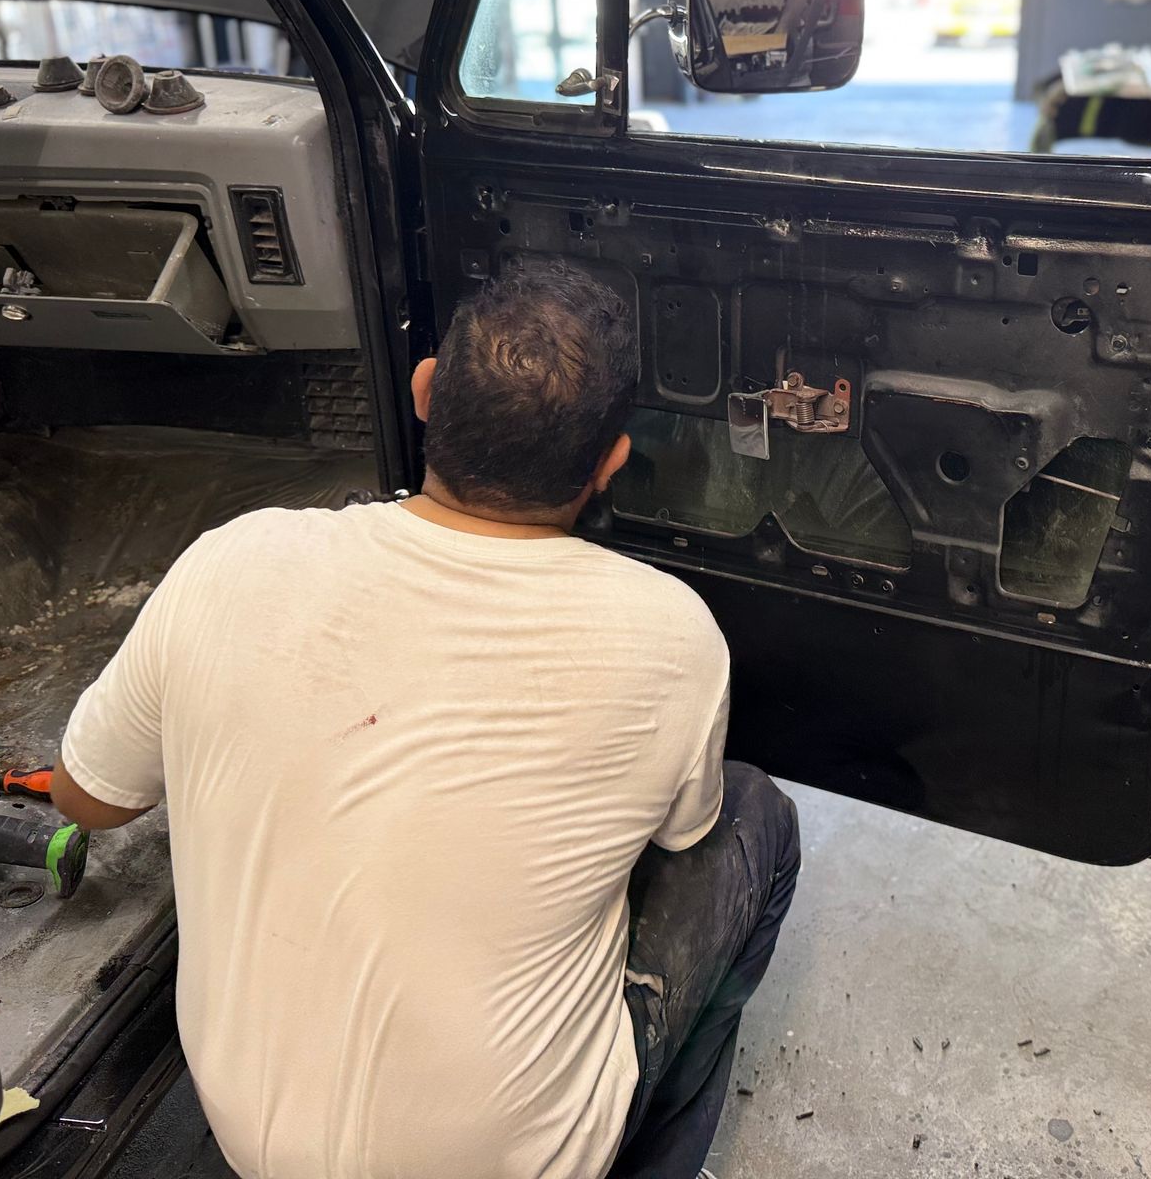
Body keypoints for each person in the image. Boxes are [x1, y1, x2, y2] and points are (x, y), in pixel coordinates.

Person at [52, 263, 800, 1179]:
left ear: (425, 391)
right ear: (613, 460)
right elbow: (686, 832)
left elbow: (86, 801)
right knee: (757, 819)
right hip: (510, 1165)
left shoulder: (232, 557)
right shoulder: (672, 634)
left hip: (251, 1141)